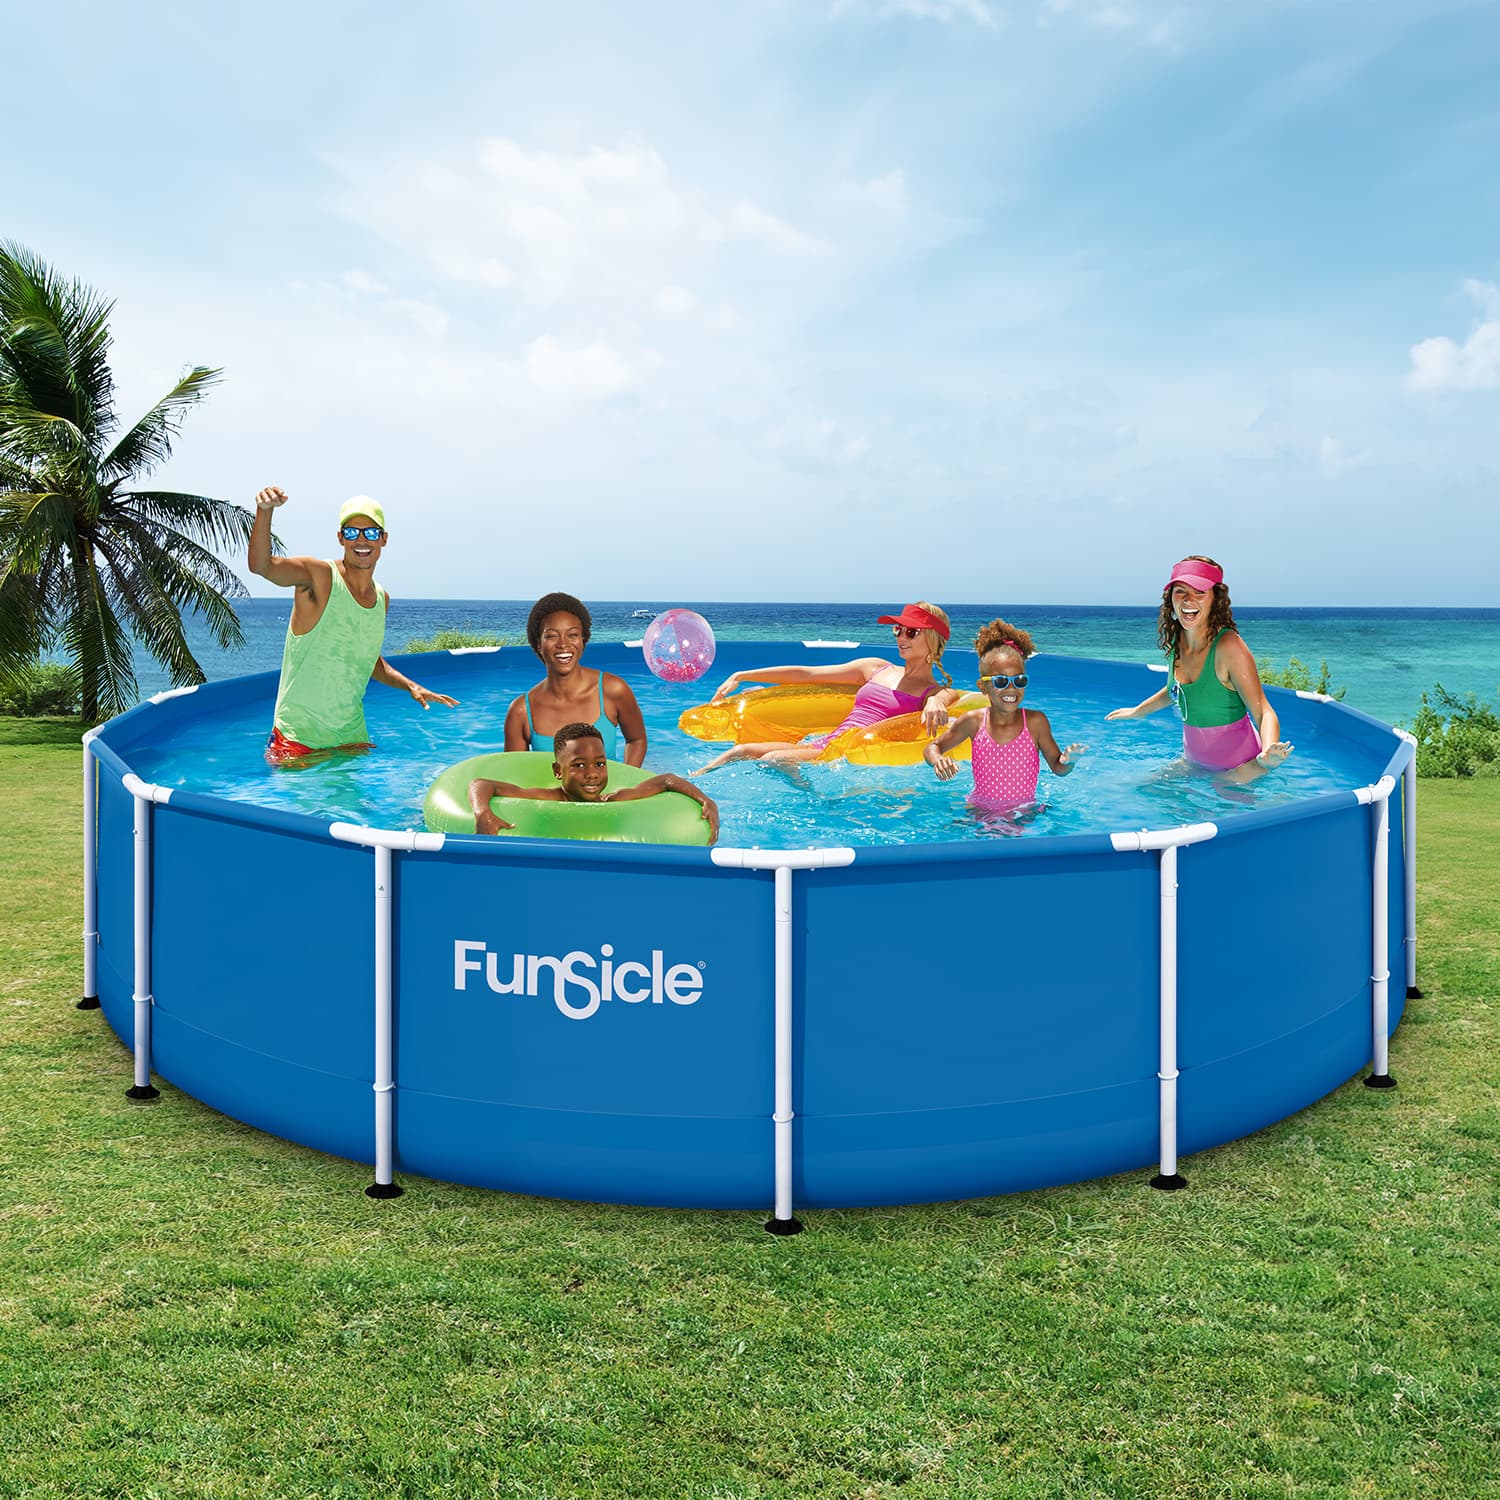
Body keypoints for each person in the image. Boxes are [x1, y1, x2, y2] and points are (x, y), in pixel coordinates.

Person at [249, 487, 457, 762]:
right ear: (340, 538)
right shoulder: (319, 577)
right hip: (298, 742)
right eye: (352, 532)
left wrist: (410, 686)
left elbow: (366, 660)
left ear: (383, 540)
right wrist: (265, 512)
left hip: (351, 741)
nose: (362, 540)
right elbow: (262, 566)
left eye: (370, 533)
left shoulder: (382, 599)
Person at [694, 602, 962, 774]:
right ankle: (693, 783)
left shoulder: (933, 691)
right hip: (828, 742)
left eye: (911, 632)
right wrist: (744, 675)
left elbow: (948, 696)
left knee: (776, 758)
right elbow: (807, 674)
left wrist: (935, 702)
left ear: (932, 639)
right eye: (898, 630)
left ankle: (817, 805)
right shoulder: (875, 667)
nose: (901, 638)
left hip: (848, 752)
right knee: (738, 751)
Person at [1105, 555, 1293, 778]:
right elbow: (1179, 690)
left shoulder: (1228, 647)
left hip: (1239, 769)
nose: (1188, 599)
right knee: (1140, 789)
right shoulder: (1177, 640)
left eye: (1199, 592)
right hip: (1194, 763)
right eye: (1180, 591)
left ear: (1216, 599)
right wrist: (1138, 712)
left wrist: (1267, 754)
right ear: (1170, 599)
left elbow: (1263, 711)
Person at [924, 619, 1086, 807]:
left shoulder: (1035, 722)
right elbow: (931, 747)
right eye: (1001, 682)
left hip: (1024, 813)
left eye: (1019, 681)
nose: (1011, 689)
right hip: (981, 811)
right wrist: (938, 761)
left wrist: (1068, 761)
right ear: (983, 687)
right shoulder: (973, 722)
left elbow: (1058, 768)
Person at [470, 723, 719, 842]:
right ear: (558, 771)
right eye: (579, 765)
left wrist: (706, 801)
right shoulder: (549, 798)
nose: (592, 774)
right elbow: (480, 784)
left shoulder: (613, 800)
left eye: (599, 764)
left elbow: (667, 780)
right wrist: (483, 812)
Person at [504, 592, 647, 766]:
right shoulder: (521, 711)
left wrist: (627, 785)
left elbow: (636, 740)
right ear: (538, 644)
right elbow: (515, 773)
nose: (563, 644)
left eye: (572, 635)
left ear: (583, 640)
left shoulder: (612, 690)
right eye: (551, 635)